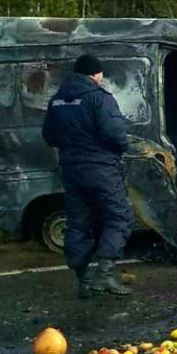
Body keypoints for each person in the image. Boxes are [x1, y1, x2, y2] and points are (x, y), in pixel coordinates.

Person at [41, 54, 133, 296]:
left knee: (79, 222)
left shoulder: (57, 100)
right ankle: (104, 273)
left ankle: (84, 281)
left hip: (71, 169)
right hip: (101, 168)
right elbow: (115, 136)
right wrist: (123, 146)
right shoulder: (98, 98)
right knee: (118, 217)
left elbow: (49, 137)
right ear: (95, 73)